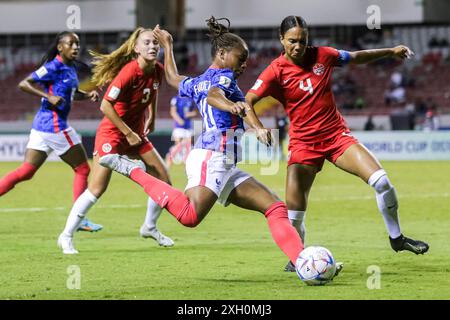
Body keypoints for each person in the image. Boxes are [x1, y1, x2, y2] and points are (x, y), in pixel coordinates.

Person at [98, 18, 313, 274]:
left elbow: (172, 78)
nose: (244, 64)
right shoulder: (222, 79)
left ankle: (302, 262)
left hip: (225, 163)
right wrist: (230, 106)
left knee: (275, 207)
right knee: (189, 217)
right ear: (222, 54)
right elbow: (215, 96)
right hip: (212, 157)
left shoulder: (200, 80)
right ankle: (129, 169)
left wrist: (168, 44)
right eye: (240, 58)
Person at [245, 16, 429, 272]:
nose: (298, 46)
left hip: (336, 137)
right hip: (303, 145)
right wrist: (258, 128)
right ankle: (299, 257)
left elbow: (357, 57)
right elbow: (248, 100)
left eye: (302, 40)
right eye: (292, 41)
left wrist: (390, 51)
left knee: (382, 182)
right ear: (281, 40)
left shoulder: (323, 55)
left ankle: (396, 239)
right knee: (294, 216)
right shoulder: (275, 71)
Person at [57, 27, 174, 254]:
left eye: (155, 44)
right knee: (97, 188)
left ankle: (149, 227)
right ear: (137, 48)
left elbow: (154, 91)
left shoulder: (157, 70)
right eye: (147, 43)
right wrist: (127, 132)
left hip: (136, 133)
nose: (152, 47)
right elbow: (105, 105)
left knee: (164, 179)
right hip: (112, 133)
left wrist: (153, 115)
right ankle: (66, 235)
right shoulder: (129, 72)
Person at [0, 31, 102, 232]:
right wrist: (48, 96)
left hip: (41, 127)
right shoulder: (53, 67)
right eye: (71, 44)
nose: (75, 47)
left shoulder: (70, 68)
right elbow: (24, 84)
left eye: (77, 44)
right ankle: (78, 218)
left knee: (26, 171)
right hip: (54, 126)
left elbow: (69, 94)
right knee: (82, 169)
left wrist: (86, 95)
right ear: (60, 47)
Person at [165, 95, 197, 167]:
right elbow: (173, 112)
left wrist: (190, 114)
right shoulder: (176, 99)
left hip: (188, 127)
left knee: (188, 146)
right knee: (179, 145)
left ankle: (186, 164)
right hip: (178, 127)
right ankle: (170, 157)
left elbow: (195, 112)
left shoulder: (190, 100)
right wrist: (179, 120)